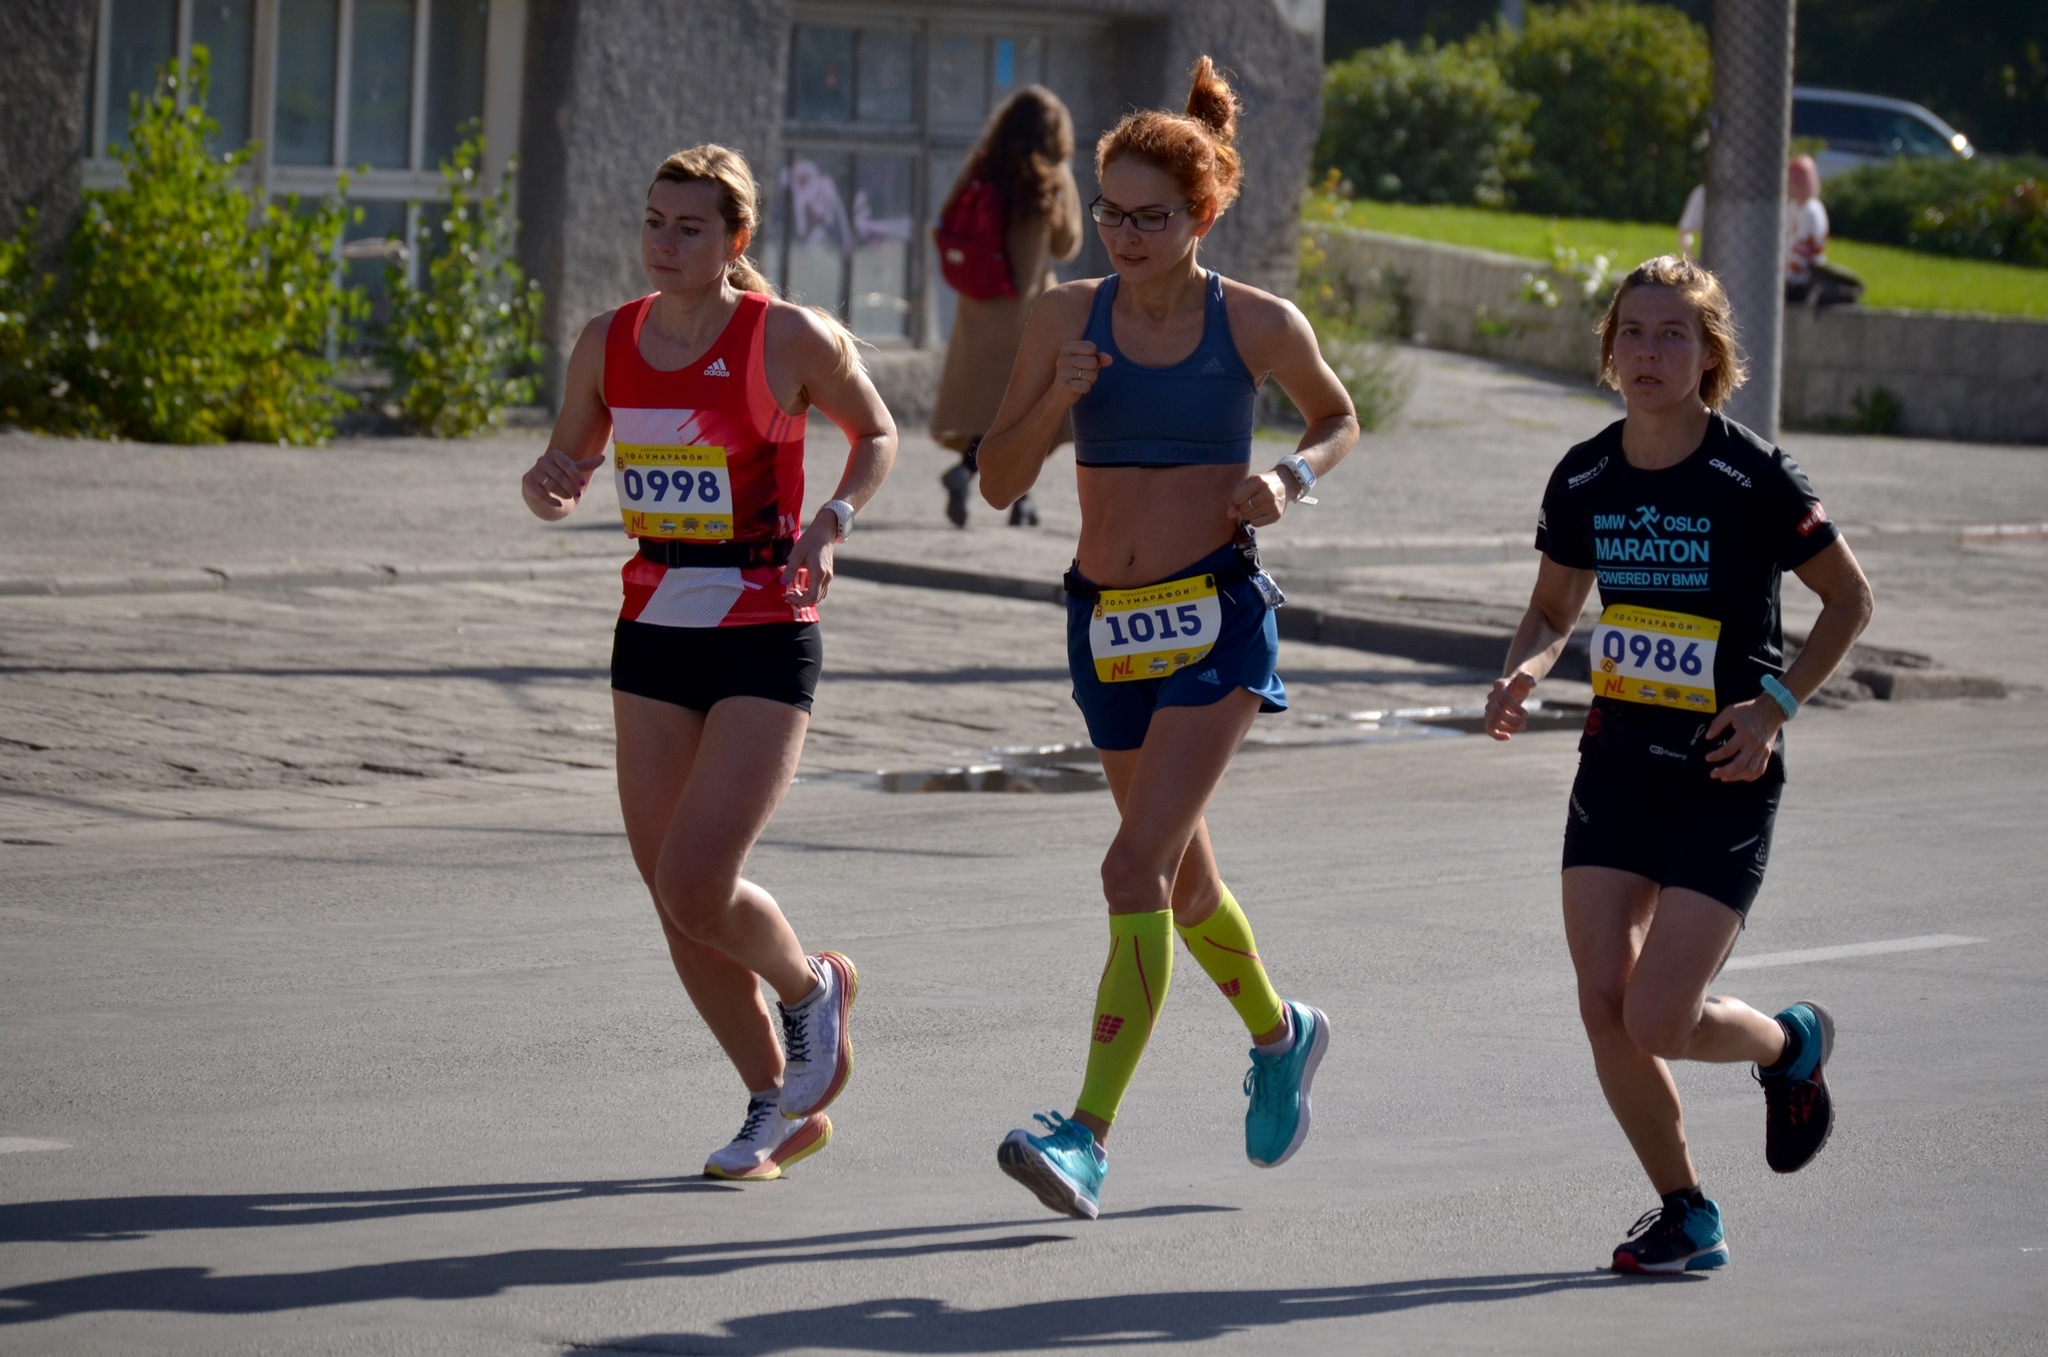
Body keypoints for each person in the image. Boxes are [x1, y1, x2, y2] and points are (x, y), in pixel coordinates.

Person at [976, 58, 1360, 1220]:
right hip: (1105, 629)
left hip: (1214, 621)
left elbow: (1339, 416)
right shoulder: (1061, 315)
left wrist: (1289, 475)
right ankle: (1281, 1032)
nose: (1126, 235)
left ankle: (1086, 1134)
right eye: (1110, 213)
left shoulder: (1251, 321)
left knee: (1128, 867)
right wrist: (1058, 396)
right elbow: (996, 479)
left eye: (1152, 216)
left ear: (1201, 215)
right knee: (1181, 883)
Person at [1485, 254, 1875, 1273]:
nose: (1647, 351)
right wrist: (1523, 670)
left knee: (1658, 1016)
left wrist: (1773, 707)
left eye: (1671, 334)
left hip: (1722, 771)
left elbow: (1849, 601)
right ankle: (1683, 1209)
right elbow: (1551, 604)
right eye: (1630, 331)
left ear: (1708, 356)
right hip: (1616, 767)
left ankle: (1786, 1045)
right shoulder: (1583, 474)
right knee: (1599, 1000)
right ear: (1607, 351)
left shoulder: (1751, 475)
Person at [519, 145, 897, 1182]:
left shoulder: (786, 337)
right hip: (652, 627)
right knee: (674, 900)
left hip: (765, 621)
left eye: (690, 227)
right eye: (652, 222)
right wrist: (549, 483)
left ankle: (811, 985)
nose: (665, 243)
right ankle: (775, 1105)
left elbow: (876, 432)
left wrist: (833, 517)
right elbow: (566, 466)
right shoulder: (607, 341)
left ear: (737, 242)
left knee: (698, 876)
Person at [931, 86, 1083, 529]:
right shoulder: (1054, 177)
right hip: (1031, 315)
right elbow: (1068, 243)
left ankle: (977, 478)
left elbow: (946, 222)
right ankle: (1009, 495)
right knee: (1037, 412)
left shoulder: (981, 168)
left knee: (993, 411)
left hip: (979, 312)